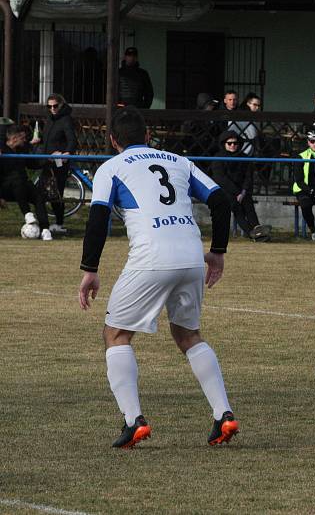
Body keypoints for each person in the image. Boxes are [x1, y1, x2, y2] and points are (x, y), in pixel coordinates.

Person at [77, 107, 239, 448]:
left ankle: (133, 420)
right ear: (148, 135)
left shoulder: (112, 167)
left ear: (113, 141)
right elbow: (221, 200)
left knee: (116, 334)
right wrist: (218, 251)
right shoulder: (179, 161)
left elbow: (98, 219)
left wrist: (90, 269)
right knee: (188, 335)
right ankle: (223, 414)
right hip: (192, 257)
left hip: (151, 258)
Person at [211, 130, 271, 242]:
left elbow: (248, 177)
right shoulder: (218, 158)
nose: (233, 145)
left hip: (243, 191)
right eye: (229, 143)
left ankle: (257, 228)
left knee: (248, 205)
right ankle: (252, 234)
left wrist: (243, 191)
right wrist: (237, 192)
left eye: (235, 143)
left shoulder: (244, 157)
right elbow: (221, 179)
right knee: (237, 208)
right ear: (224, 144)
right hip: (226, 191)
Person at [31, 93, 76, 234]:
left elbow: (72, 139)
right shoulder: (50, 119)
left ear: (61, 105)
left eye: (55, 106)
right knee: (42, 193)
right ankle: (46, 223)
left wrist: (67, 152)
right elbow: (48, 138)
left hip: (59, 162)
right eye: (49, 106)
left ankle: (59, 223)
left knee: (56, 194)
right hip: (47, 161)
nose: (52, 109)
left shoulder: (66, 119)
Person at [0, 124, 51, 240]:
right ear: (14, 139)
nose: (25, 140)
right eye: (22, 138)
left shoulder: (22, 150)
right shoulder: (2, 151)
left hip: (21, 185)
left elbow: (32, 164)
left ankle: (45, 229)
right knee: (17, 180)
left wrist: (48, 159)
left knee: (38, 196)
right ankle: (27, 213)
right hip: (5, 188)